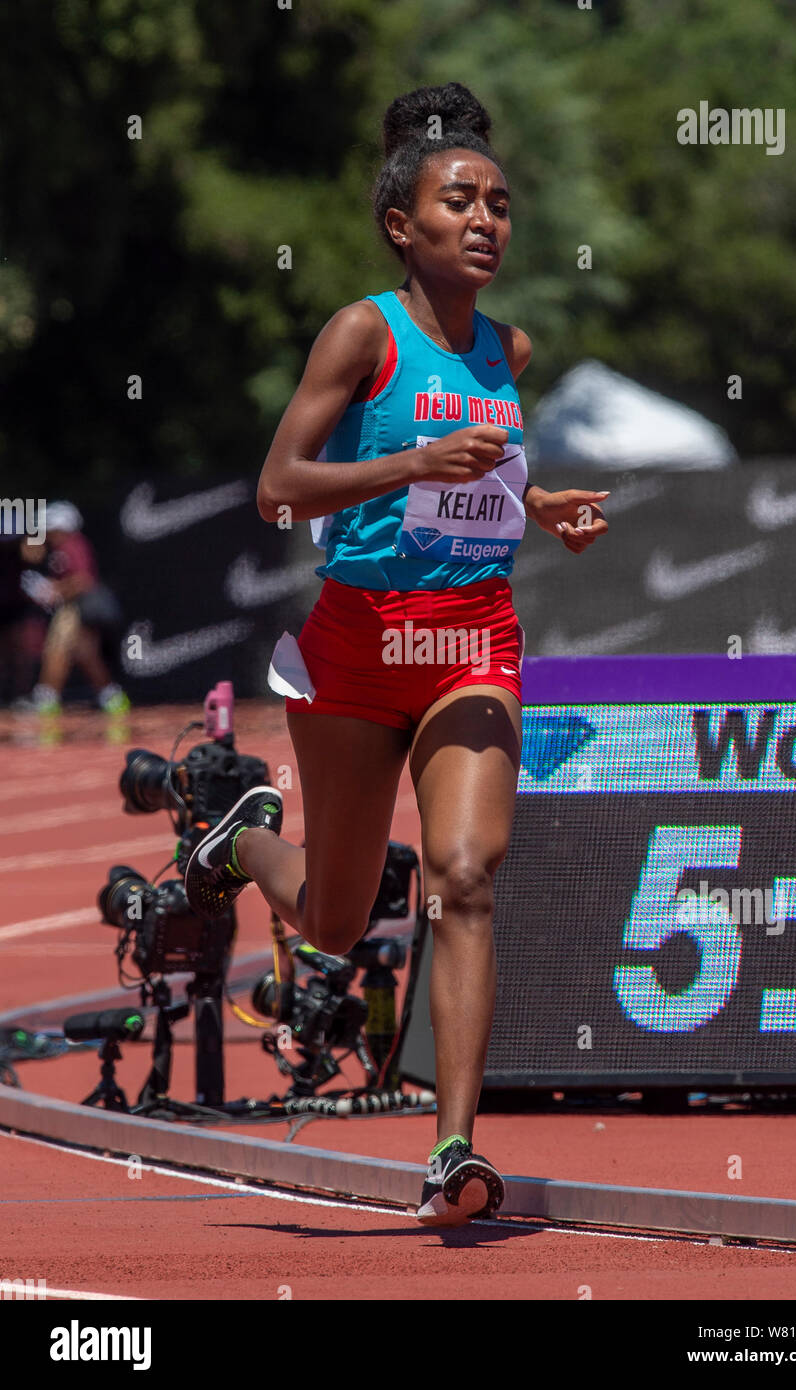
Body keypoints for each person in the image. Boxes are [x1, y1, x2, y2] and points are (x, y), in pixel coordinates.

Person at [185, 83, 608, 1225]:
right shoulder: (363, 331)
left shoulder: (508, 346)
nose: (486, 220)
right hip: (355, 649)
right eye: (459, 200)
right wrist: (411, 463)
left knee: (465, 873)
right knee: (331, 922)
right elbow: (279, 490)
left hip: (471, 640)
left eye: (500, 204)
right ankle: (245, 840)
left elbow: (489, 489)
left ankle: (452, 1150)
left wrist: (543, 504)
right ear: (401, 224)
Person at [13, 501, 130, 715]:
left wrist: (54, 590)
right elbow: (33, 555)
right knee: (86, 654)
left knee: (56, 650)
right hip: (71, 608)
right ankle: (111, 697)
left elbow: (84, 580)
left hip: (76, 609)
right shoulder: (59, 548)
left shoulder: (72, 545)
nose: (46, 533)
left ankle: (46, 699)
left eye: (49, 528)